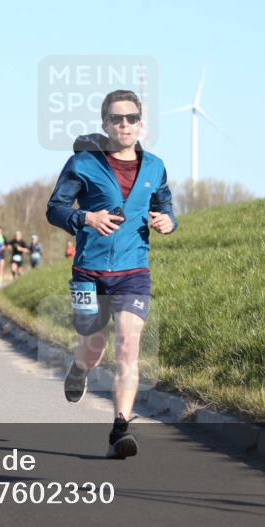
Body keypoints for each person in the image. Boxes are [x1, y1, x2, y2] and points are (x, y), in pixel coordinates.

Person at [46, 89, 177, 459]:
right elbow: (54, 209)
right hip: (88, 272)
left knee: (128, 344)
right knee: (94, 344)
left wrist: (169, 220)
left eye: (131, 118)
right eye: (117, 119)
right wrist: (86, 217)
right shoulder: (83, 164)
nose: (125, 124)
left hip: (134, 270)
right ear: (105, 124)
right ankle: (79, 367)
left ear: (141, 124)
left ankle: (120, 428)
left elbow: (164, 205)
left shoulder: (155, 166)